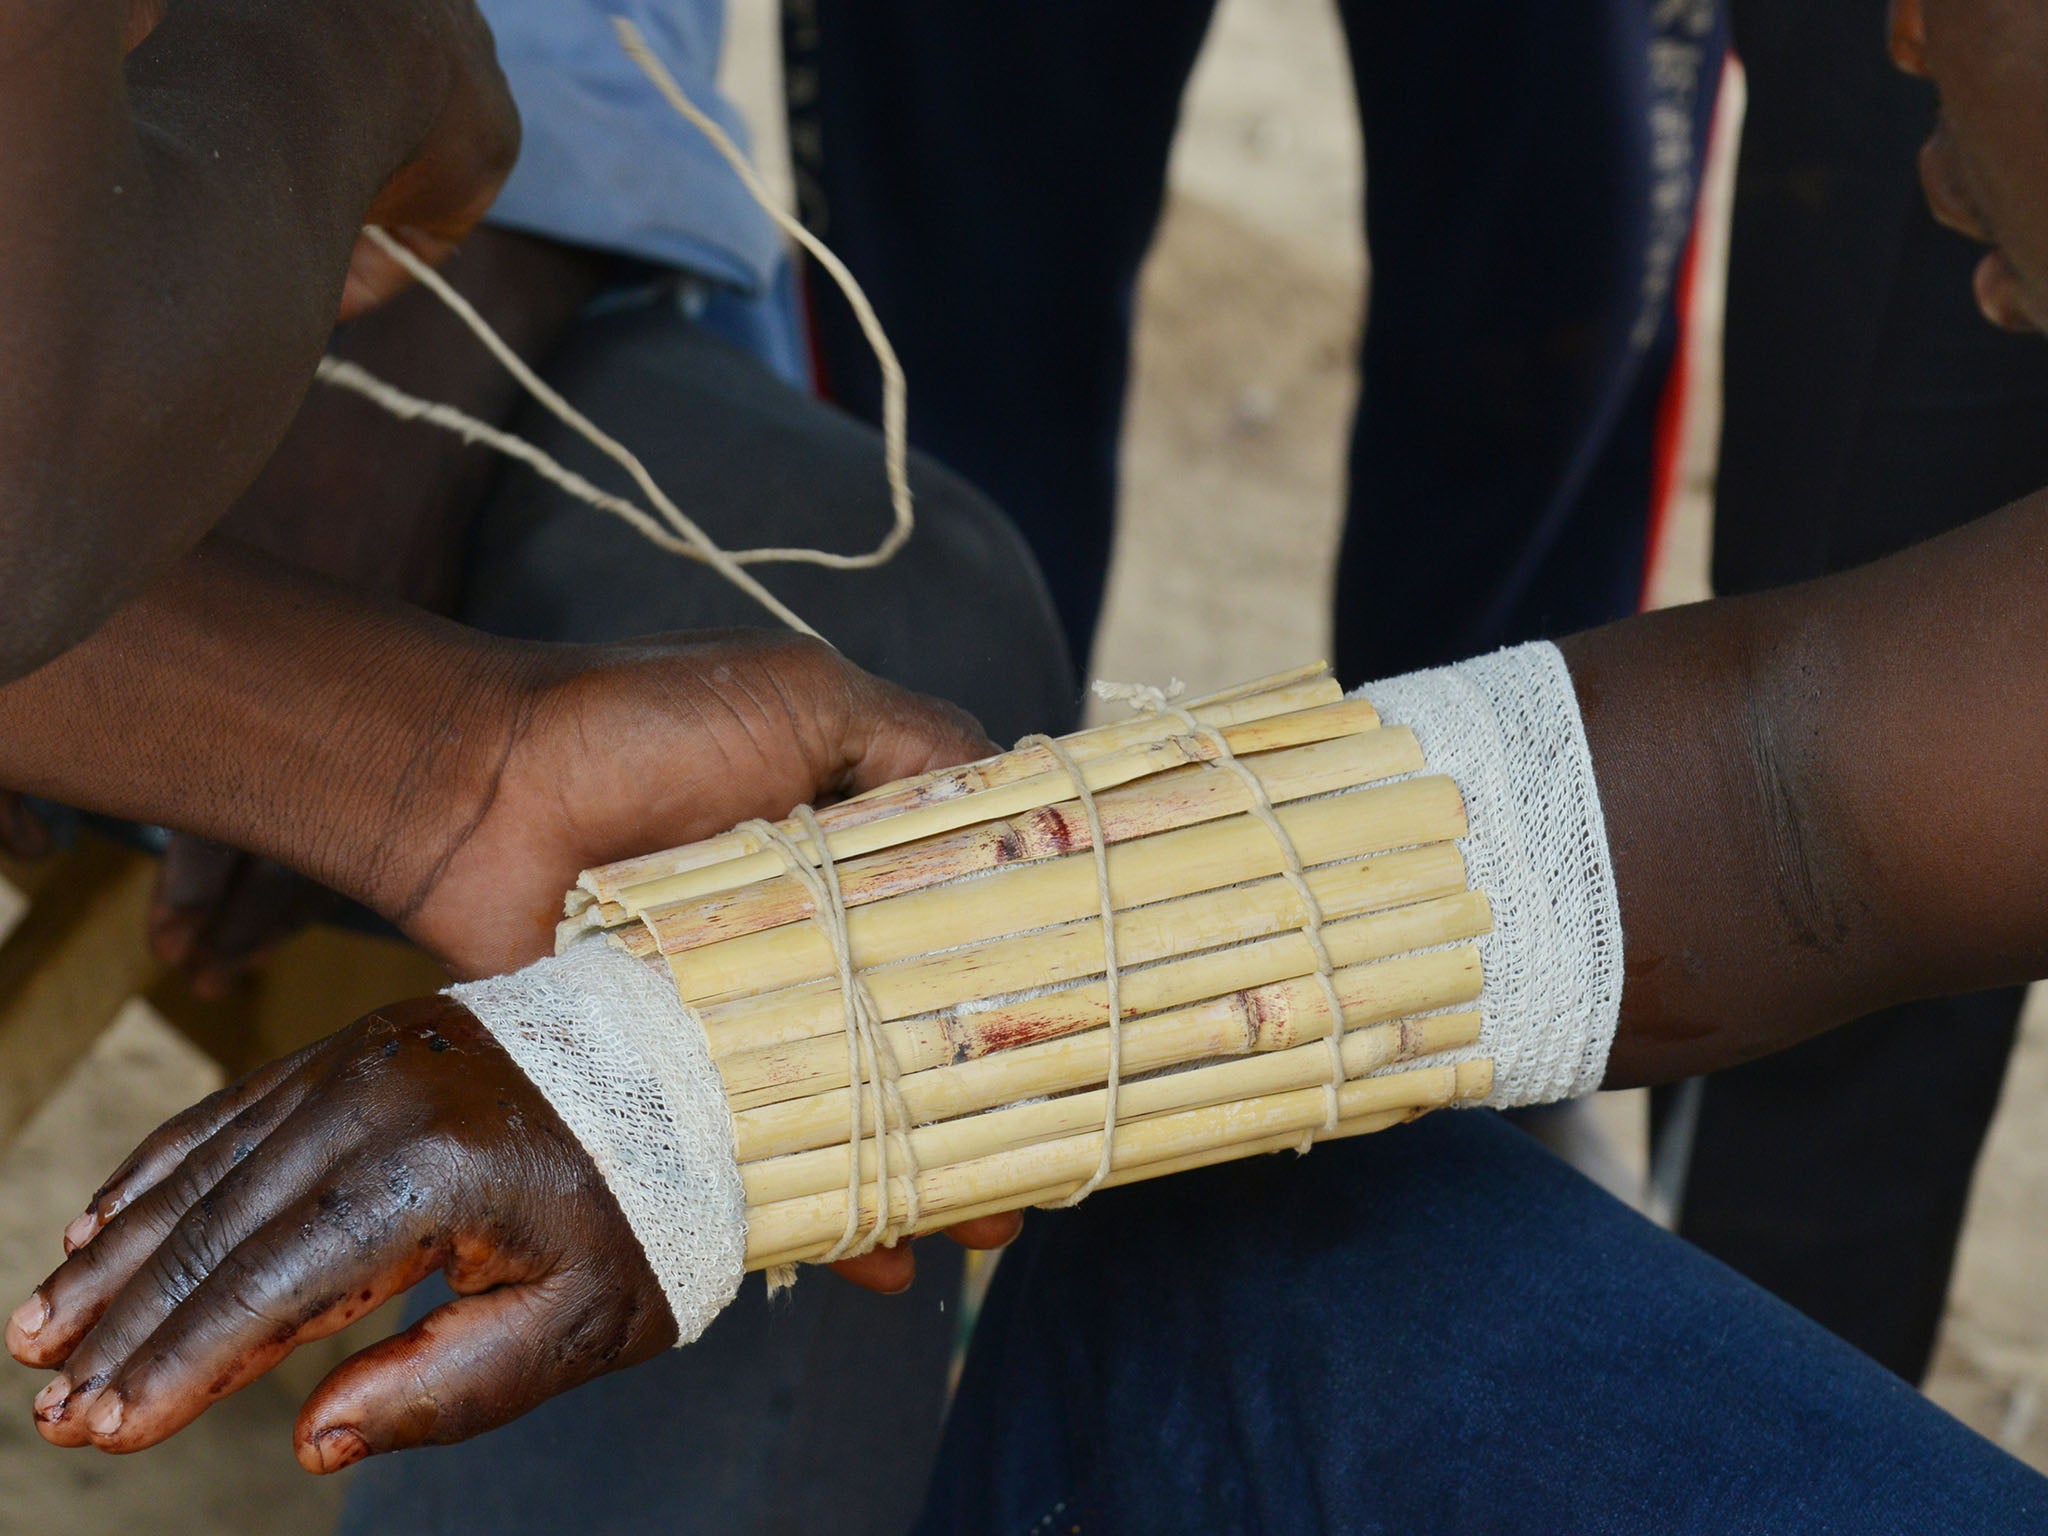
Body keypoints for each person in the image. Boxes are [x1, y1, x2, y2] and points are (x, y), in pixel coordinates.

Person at [1, 1, 1071, 1528]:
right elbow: (25, 484)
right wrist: (362, 59)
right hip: (164, 255)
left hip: (331, 248)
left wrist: (438, 763)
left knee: (841, 753)